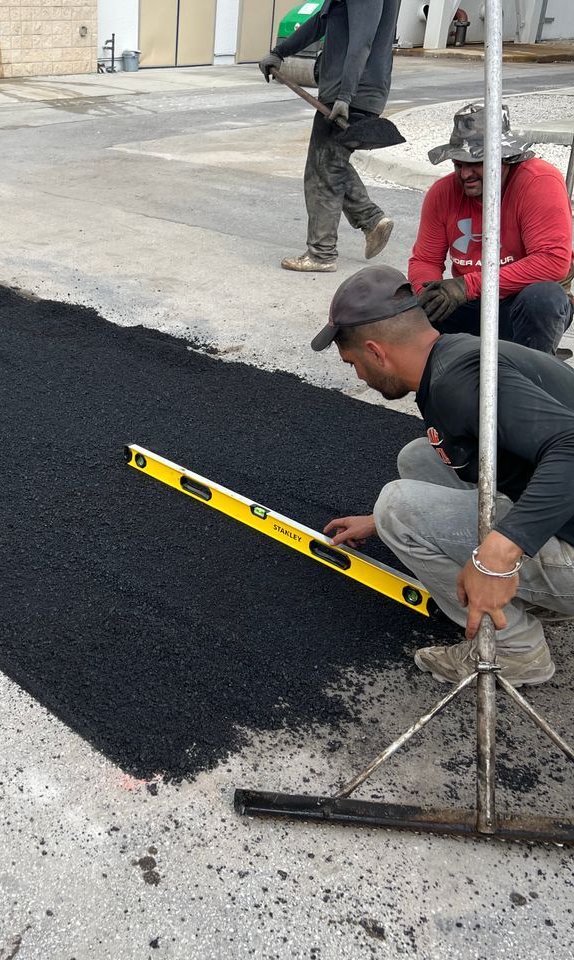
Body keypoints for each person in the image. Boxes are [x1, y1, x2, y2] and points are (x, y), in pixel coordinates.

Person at [312, 265, 574, 686]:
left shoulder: (461, 381)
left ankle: (516, 652)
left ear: (377, 352)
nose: (358, 375)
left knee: (398, 506)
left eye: (353, 363)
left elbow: (570, 447)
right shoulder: (452, 356)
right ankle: (537, 596)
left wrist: (499, 555)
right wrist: (379, 526)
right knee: (422, 456)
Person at [409, 102, 574, 356]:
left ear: (504, 157)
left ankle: (533, 372)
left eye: (476, 163)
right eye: (459, 164)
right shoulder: (442, 193)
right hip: (471, 305)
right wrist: (427, 295)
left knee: (544, 297)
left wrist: (467, 285)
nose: (465, 174)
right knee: (395, 299)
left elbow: (552, 262)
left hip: (520, 305)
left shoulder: (539, 182)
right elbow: (425, 259)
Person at [259, 0, 398, 273]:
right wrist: (279, 52)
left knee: (322, 172)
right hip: (349, 90)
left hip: (351, 93)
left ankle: (322, 254)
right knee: (330, 164)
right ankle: (371, 220)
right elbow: (321, 21)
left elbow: (363, 39)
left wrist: (346, 94)